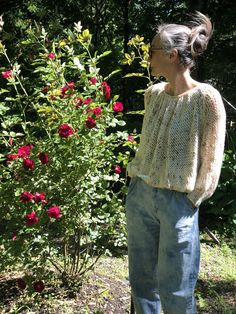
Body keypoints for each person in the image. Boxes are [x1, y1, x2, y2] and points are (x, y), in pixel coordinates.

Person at [125, 11, 226, 314]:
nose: (148, 57)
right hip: (141, 196)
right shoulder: (153, 94)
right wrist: (135, 184)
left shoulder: (206, 99)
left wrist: (192, 199)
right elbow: (147, 146)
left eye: (152, 51)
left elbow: (212, 158)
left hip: (178, 203)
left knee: (177, 290)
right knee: (142, 285)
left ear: (170, 55)